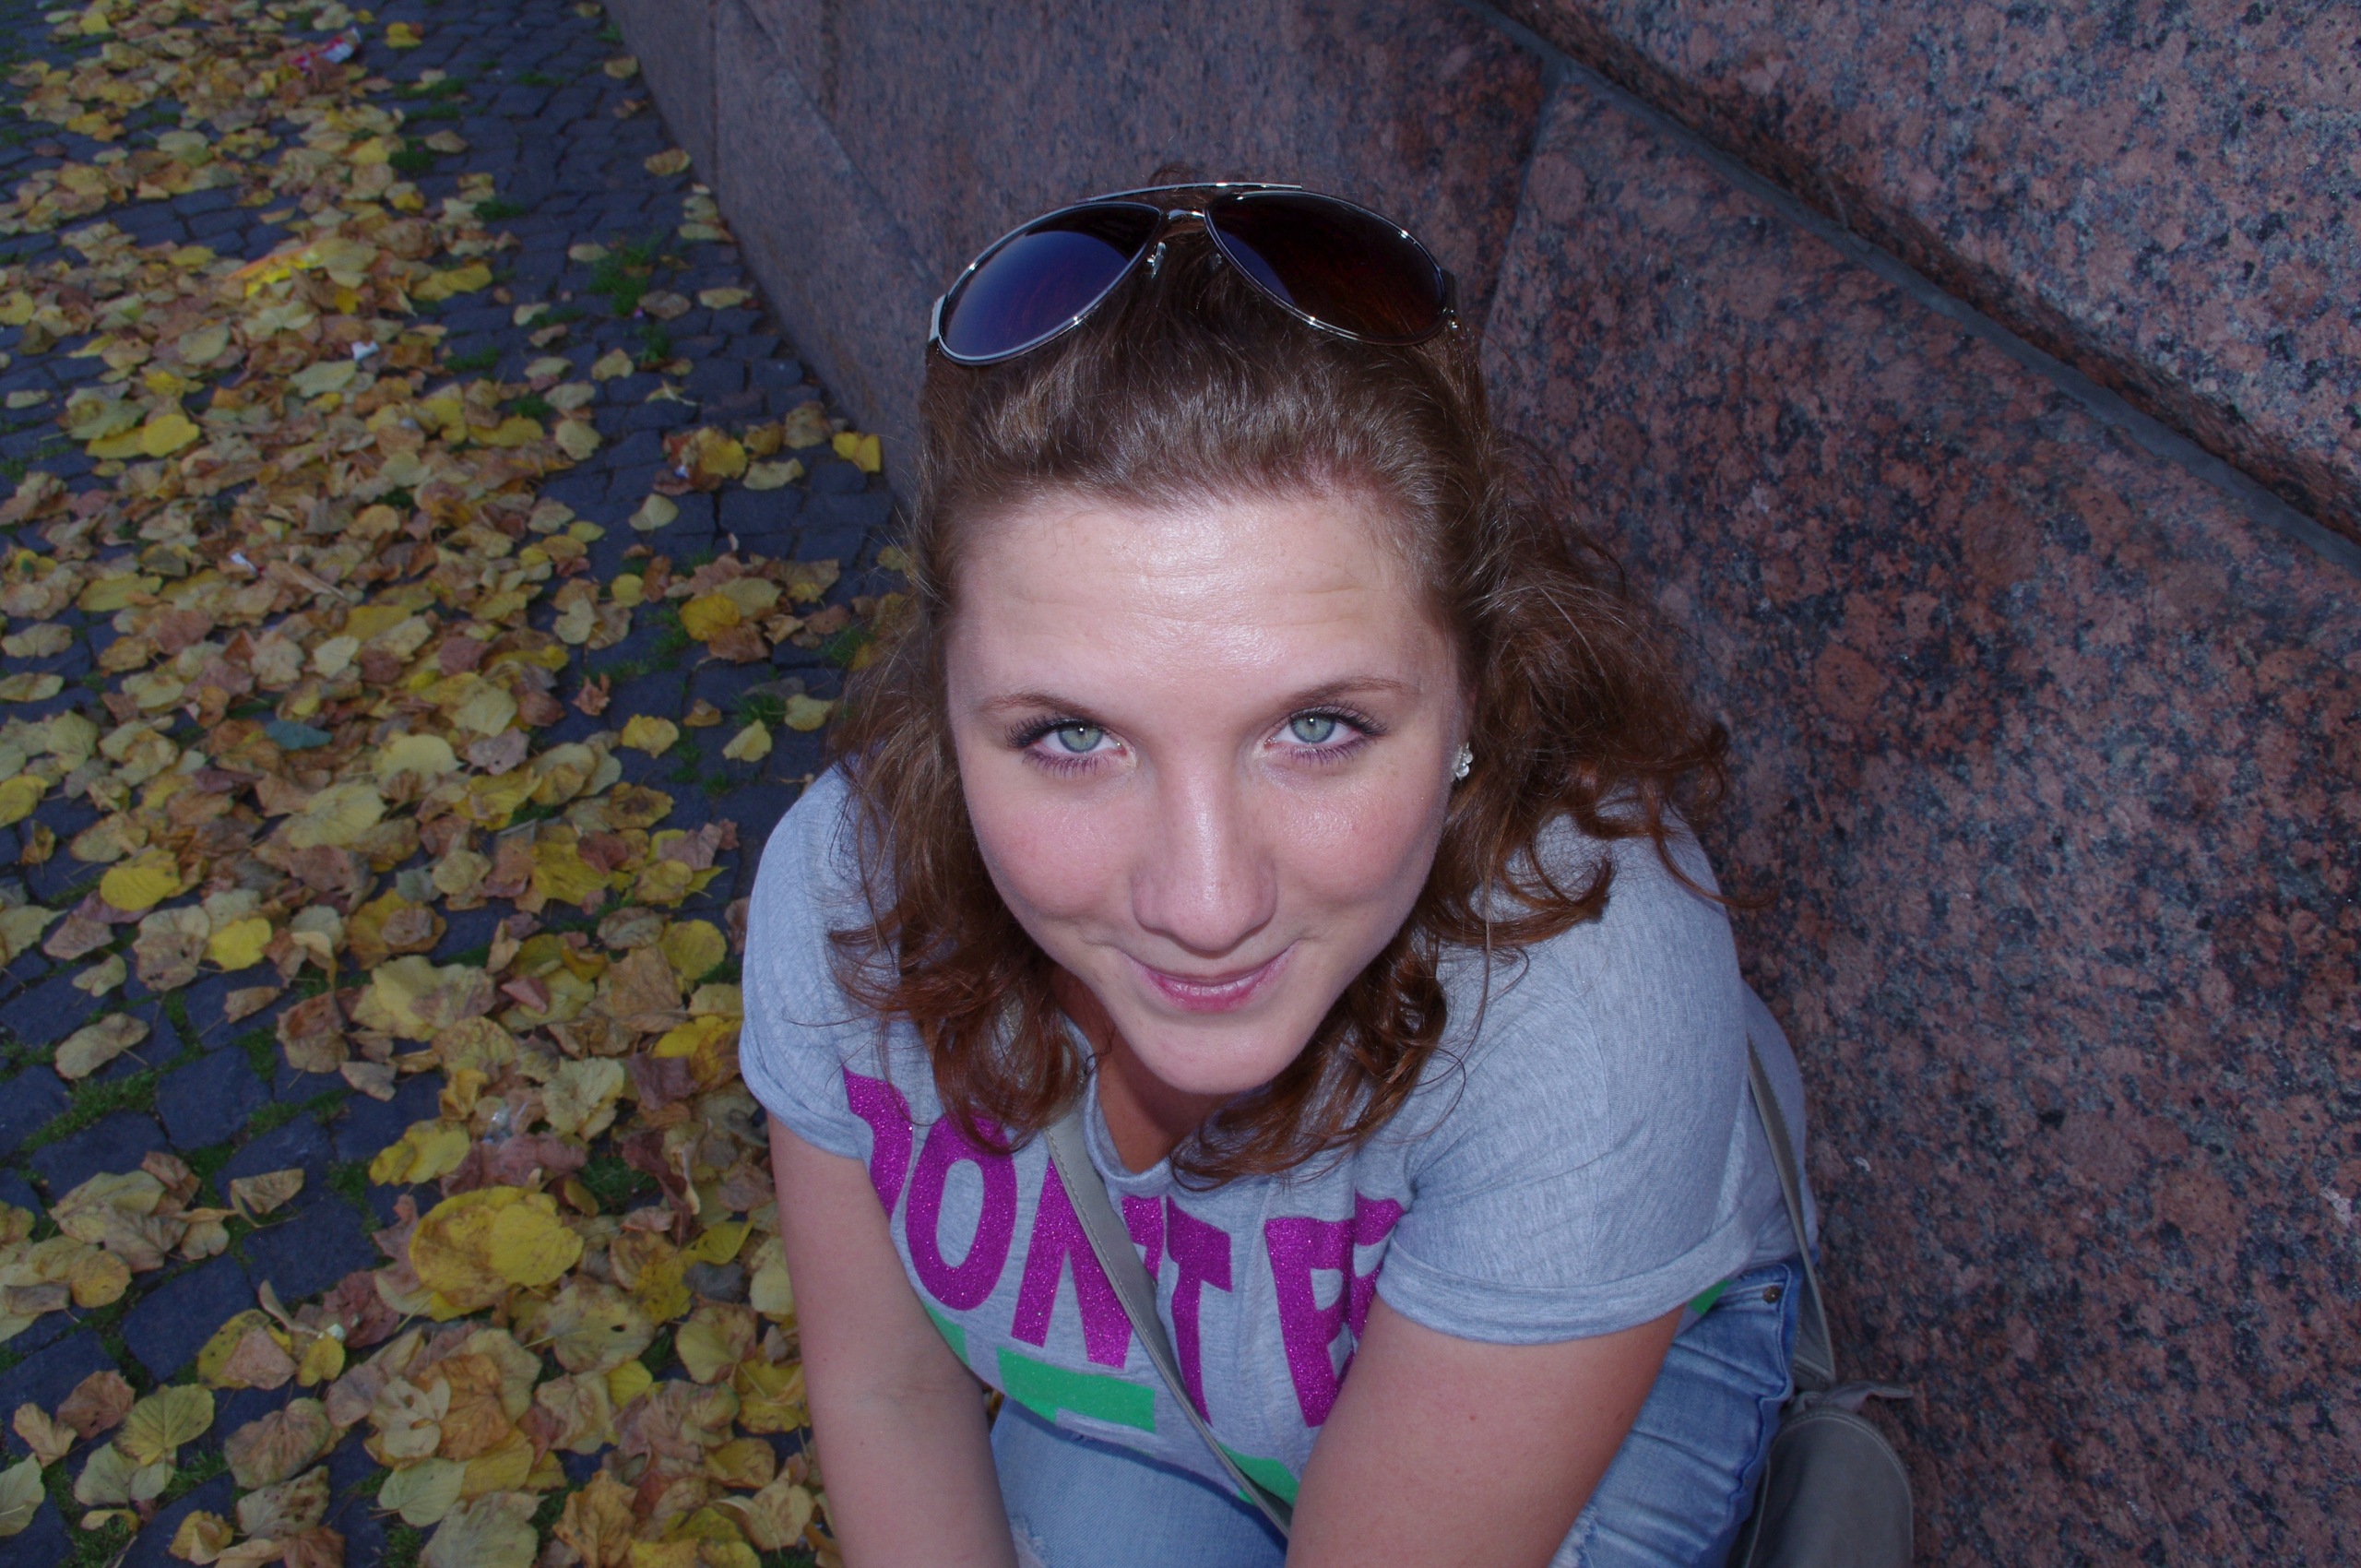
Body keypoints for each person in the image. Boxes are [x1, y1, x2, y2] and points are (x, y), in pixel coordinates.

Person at [742, 181, 1817, 1568]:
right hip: (1186, 1371)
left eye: (1318, 728)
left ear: (1474, 696)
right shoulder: (849, 894)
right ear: (944, 703)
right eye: (1071, 735)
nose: (1205, 907)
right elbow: (888, 1395)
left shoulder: (1588, 1005)